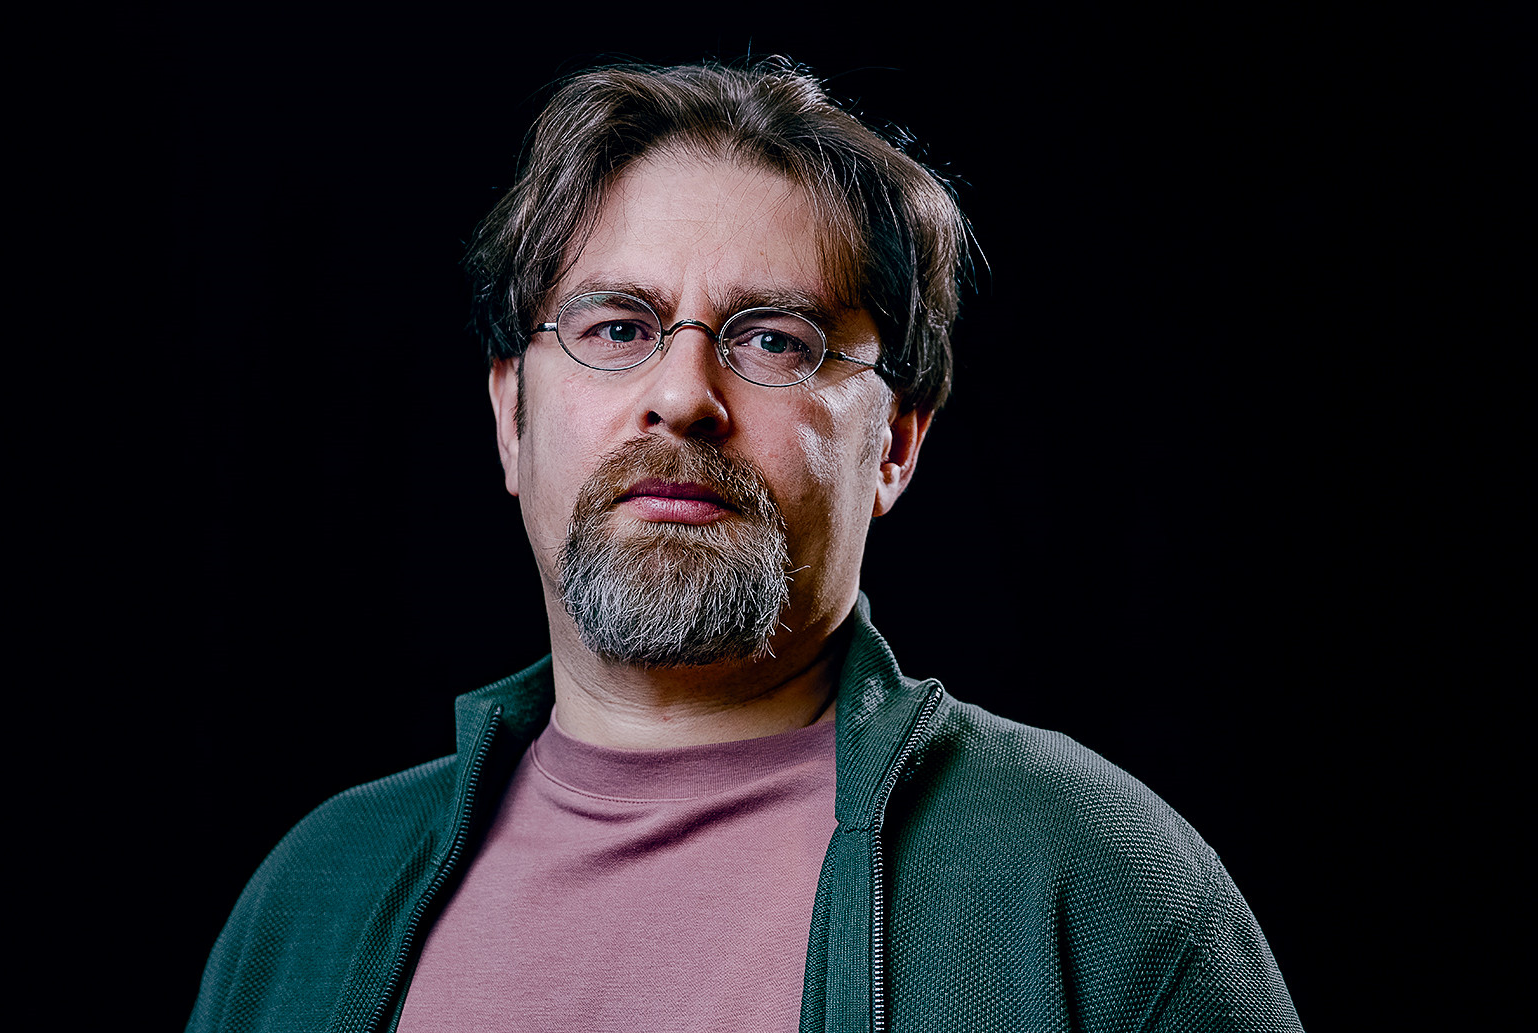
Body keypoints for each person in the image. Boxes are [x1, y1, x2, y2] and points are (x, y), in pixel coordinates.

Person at [186, 59, 1302, 1032]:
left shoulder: (1096, 884)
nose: (682, 395)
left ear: (894, 445)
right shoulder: (310, 901)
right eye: (616, 327)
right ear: (509, 417)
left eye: (772, 339)